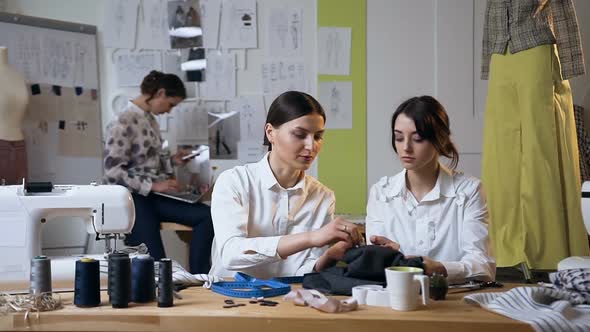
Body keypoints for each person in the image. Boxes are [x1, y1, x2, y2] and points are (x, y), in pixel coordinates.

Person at [481, 0, 590, 270]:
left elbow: (562, 6)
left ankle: (546, 252)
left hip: (536, 49)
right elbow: (490, 11)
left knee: (539, 150)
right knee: (501, 155)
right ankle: (504, 252)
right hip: (500, 54)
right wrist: (487, 59)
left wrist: (571, 60)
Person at [209, 91, 362, 279]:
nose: (311, 146)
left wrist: (328, 256)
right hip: (230, 297)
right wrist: (311, 238)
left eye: (318, 136)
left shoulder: (323, 196)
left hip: (288, 299)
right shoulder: (234, 182)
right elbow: (231, 255)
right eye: (300, 134)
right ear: (270, 132)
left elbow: (301, 271)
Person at [365, 96, 495, 284]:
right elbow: (374, 266)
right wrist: (390, 258)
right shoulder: (381, 193)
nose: (406, 147)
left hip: (453, 303)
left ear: (439, 140)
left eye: (417, 138)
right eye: (398, 138)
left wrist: (439, 268)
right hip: (396, 300)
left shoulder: (469, 191)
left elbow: (483, 267)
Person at [103, 70, 213, 274]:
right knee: (157, 268)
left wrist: (172, 161)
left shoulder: (149, 120)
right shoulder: (123, 121)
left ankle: (199, 277)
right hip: (133, 199)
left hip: (154, 196)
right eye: (171, 104)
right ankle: (168, 287)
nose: (170, 111)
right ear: (160, 93)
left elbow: (147, 163)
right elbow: (113, 172)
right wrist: (153, 185)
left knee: (208, 216)